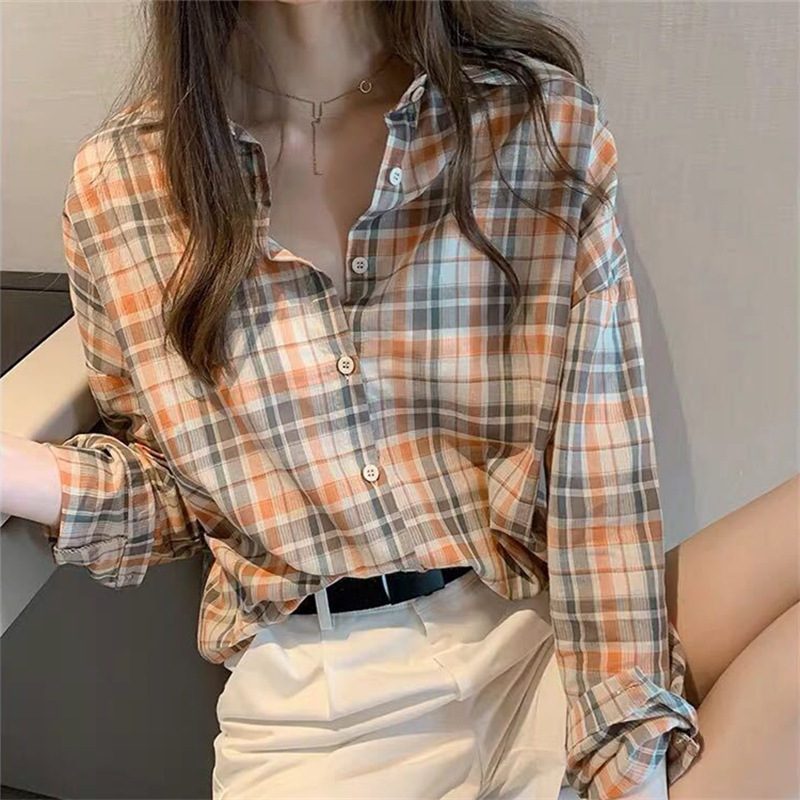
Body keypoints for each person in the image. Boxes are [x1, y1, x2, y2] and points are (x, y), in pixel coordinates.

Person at [0, 1, 706, 798]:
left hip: (532, 637)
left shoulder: (537, 127)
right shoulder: (122, 186)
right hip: (318, 706)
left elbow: (600, 484)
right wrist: (19, 470)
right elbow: (179, 489)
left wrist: (624, 755)